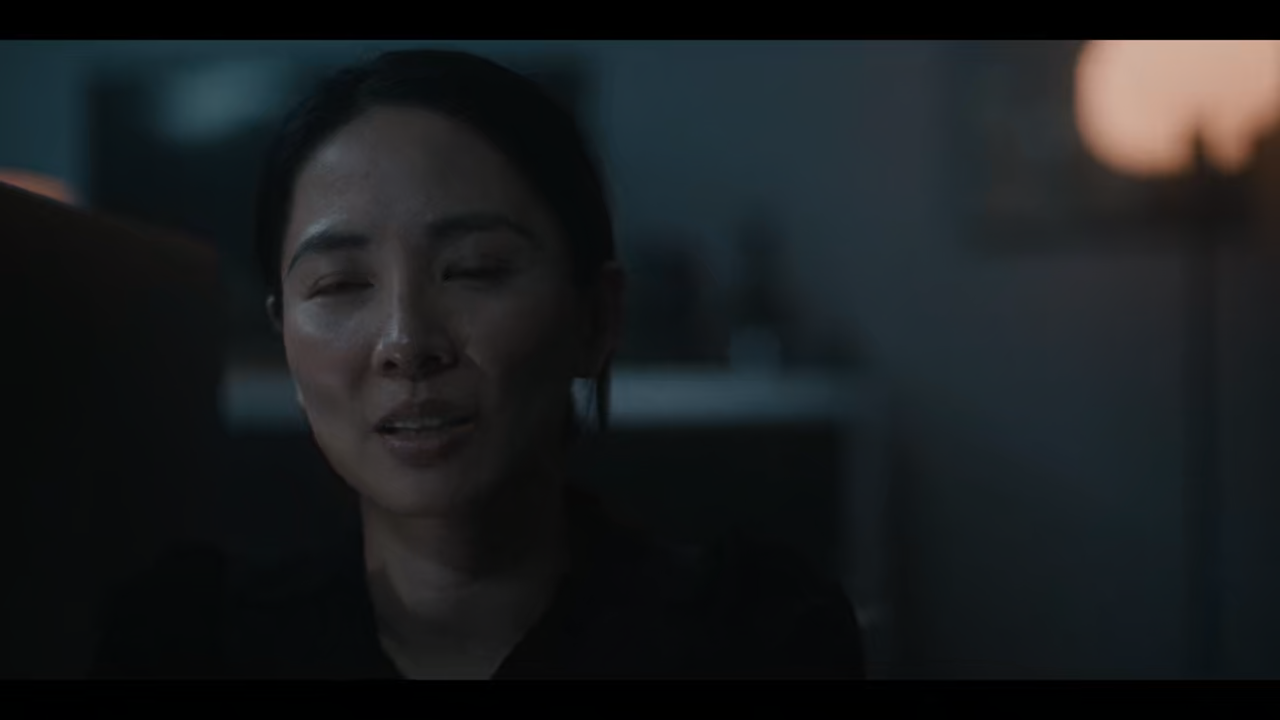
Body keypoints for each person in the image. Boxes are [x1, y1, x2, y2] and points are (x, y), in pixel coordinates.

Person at [91, 49, 865, 679]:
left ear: (596, 317)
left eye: (475, 269)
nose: (406, 342)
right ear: (285, 340)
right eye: (341, 285)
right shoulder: (188, 647)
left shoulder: (757, 639)